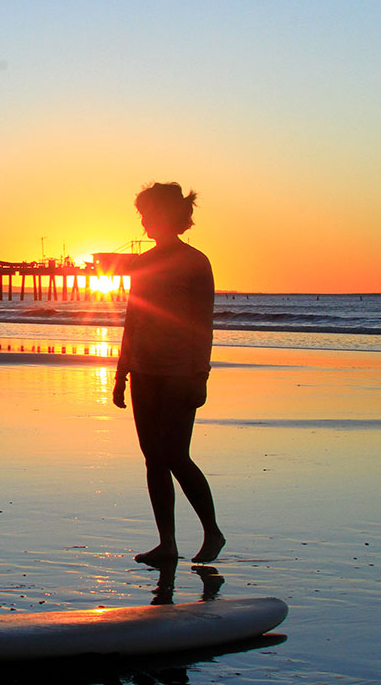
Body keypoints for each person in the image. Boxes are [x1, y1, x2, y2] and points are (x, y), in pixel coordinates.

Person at [112, 182, 225, 566]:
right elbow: (134, 319)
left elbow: (202, 324)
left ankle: (213, 532)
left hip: (180, 373)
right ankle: (168, 544)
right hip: (144, 370)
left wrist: (200, 375)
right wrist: (120, 372)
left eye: (146, 213)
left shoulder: (196, 262)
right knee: (153, 459)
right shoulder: (141, 263)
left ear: (166, 215)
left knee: (176, 454)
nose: (142, 220)